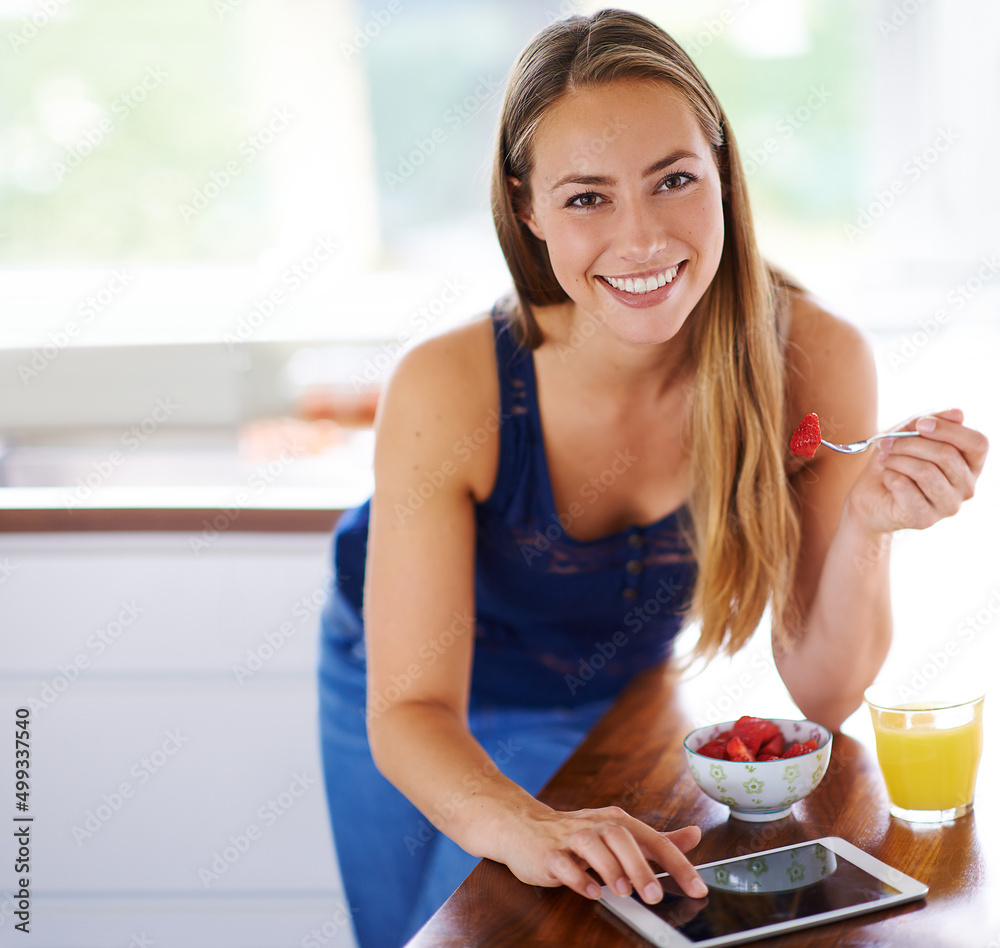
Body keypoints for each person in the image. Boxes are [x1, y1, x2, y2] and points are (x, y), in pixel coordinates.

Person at [317, 9, 988, 947]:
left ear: (722, 173)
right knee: (444, 931)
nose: (641, 240)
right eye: (587, 198)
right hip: (416, 709)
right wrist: (527, 825)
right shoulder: (451, 385)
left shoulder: (813, 357)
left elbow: (826, 694)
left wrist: (868, 529)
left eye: (674, 181)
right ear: (526, 209)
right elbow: (414, 710)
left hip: (617, 691)